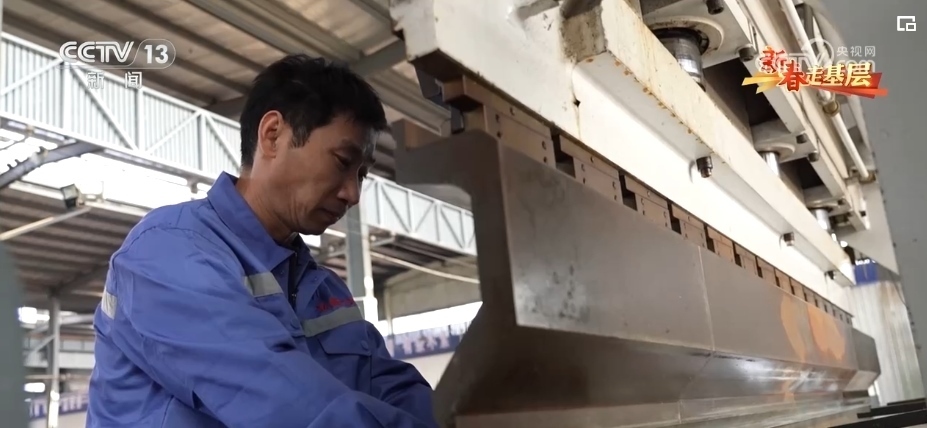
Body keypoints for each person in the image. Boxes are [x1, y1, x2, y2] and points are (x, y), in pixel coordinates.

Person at [86, 55, 437, 428]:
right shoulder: (167, 251)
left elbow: (391, 386)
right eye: (342, 161)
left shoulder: (324, 291)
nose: (352, 194)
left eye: (362, 174)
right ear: (273, 135)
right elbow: (287, 406)